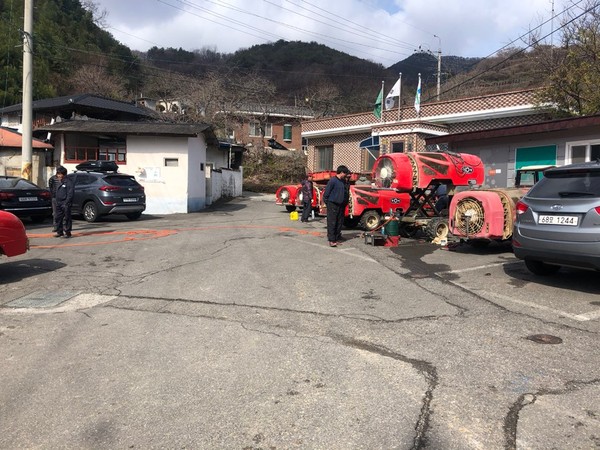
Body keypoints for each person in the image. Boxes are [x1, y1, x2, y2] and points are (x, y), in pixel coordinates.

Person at [323, 165, 350, 247]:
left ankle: (336, 237)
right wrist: (328, 203)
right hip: (333, 204)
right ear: (341, 172)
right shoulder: (333, 181)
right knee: (332, 222)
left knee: (339, 222)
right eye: (345, 173)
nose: (346, 175)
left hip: (341, 205)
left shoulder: (343, 182)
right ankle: (331, 240)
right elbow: (326, 193)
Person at [53, 166, 74, 238]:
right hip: (58, 202)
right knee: (58, 217)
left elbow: (70, 193)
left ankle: (68, 232)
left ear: (64, 174)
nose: (58, 176)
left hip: (65, 203)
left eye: (60, 174)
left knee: (67, 218)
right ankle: (60, 231)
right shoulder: (59, 182)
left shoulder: (68, 182)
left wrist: (66, 202)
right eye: (58, 174)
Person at [48, 168, 60, 232]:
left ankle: (62, 226)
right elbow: (51, 187)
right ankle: (56, 226)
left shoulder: (64, 179)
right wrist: (53, 195)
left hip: (62, 198)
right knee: (55, 213)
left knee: (62, 213)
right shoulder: (52, 179)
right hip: (55, 198)